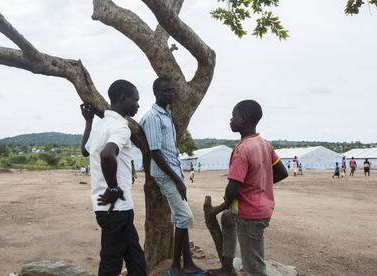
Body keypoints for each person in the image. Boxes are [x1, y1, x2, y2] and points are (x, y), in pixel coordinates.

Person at [208, 100, 288, 276]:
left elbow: (233, 188)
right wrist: (260, 186)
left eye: (233, 116)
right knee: (228, 218)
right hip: (260, 208)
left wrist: (228, 199)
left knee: (253, 266)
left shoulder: (242, 150)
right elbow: (282, 172)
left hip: (250, 214)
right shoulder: (264, 143)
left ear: (243, 119)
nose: (230, 119)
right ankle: (227, 268)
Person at [81, 80, 146, 276]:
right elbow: (107, 154)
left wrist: (88, 121)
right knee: (111, 263)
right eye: (135, 100)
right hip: (115, 208)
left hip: (114, 209)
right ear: (123, 99)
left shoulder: (101, 125)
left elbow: (85, 150)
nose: (137, 105)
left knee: (135, 256)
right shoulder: (120, 127)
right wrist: (113, 188)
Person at [140, 77, 204, 276]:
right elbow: (156, 153)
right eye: (166, 91)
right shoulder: (153, 117)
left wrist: (179, 177)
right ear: (156, 92)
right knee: (185, 216)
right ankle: (176, 266)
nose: (170, 94)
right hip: (166, 177)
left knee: (179, 218)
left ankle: (188, 262)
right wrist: (177, 179)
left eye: (172, 91)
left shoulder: (167, 114)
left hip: (175, 174)